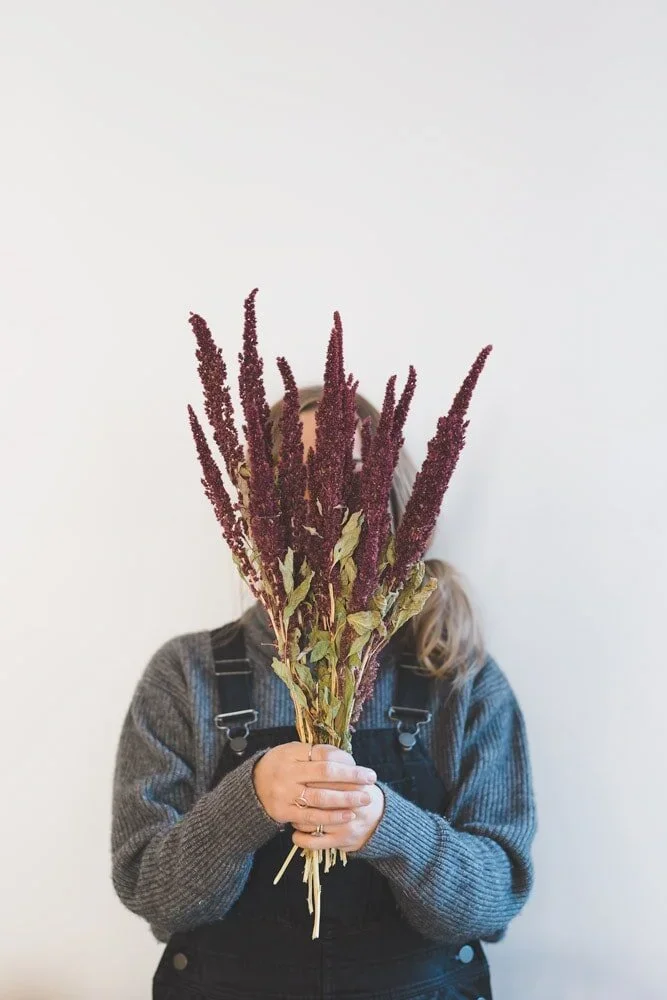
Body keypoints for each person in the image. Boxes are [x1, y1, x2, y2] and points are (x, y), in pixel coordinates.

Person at [111, 385, 537, 1000]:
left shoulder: (459, 681)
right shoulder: (186, 677)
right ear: (258, 509)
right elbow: (154, 894)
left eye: (350, 481)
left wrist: (388, 826)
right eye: (295, 484)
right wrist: (248, 802)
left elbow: (492, 905)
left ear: (388, 506)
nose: (323, 506)